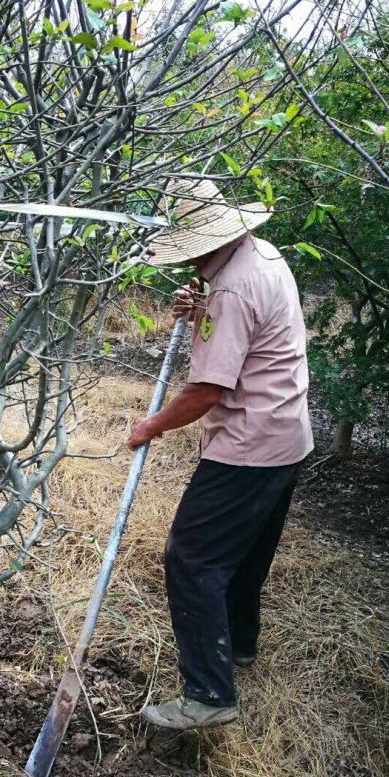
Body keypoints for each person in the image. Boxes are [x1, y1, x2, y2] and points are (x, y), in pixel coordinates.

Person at [127, 179, 314, 730]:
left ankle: (209, 693)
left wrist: (151, 426)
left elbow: (208, 389)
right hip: (287, 436)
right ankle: (239, 644)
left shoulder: (230, 291)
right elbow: (243, 322)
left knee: (192, 558)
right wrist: (201, 307)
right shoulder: (260, 255)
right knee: (247, 552)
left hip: (249, 446)